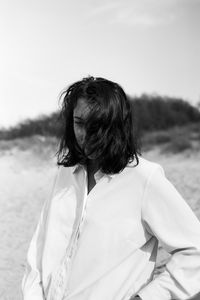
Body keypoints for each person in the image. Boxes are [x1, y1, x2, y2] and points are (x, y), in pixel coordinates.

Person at [22, 76, 200, 300]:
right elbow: (38, 252)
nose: (85, 135)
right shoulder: (65, 175)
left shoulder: (144, 178)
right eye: (79, 123)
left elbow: (195, 251)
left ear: (115, 125)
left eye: (96, 126)